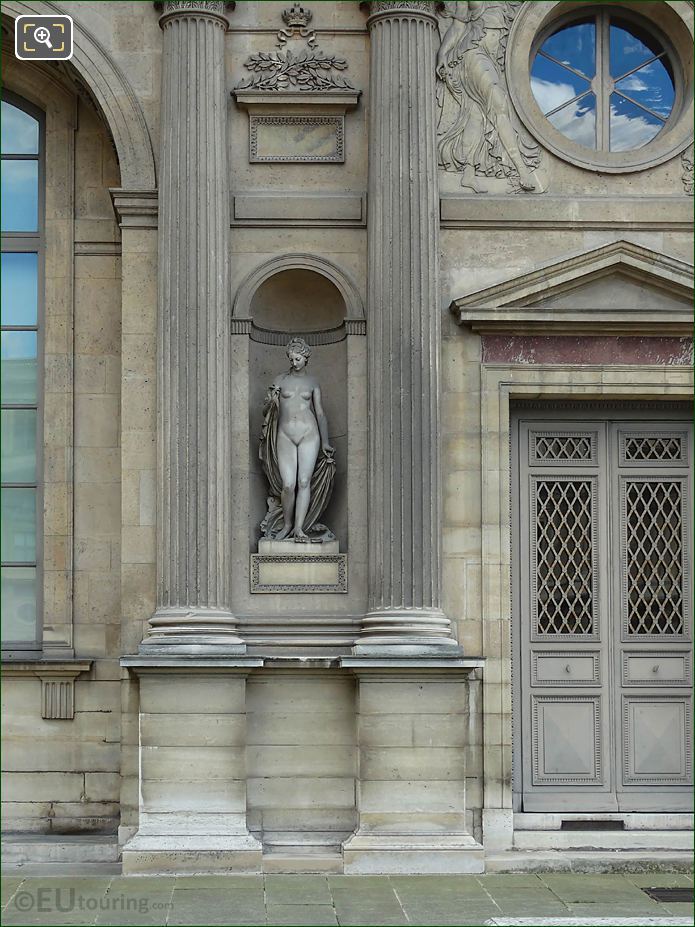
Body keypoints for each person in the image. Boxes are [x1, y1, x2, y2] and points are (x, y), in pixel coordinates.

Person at [436, 0, 540, 193]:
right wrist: (442, 53)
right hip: (472, 52)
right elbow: (458, 27)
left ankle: (468, 173)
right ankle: (522, 169)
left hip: (493, 56)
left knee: (476, 115)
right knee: (499, 104)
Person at [259, 337, 336, 542]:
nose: (294, 362)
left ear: (306, 358)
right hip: (285, 434)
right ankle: (286, 525)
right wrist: (272, 401)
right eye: (292, 359)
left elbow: (319, 413)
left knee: (303, 481)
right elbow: (266, 411)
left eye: (298, 358)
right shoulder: (280, 380)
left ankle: (299, 528)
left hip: (309, 434)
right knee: (288, 484)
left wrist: (326, 442)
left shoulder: (312, 382)